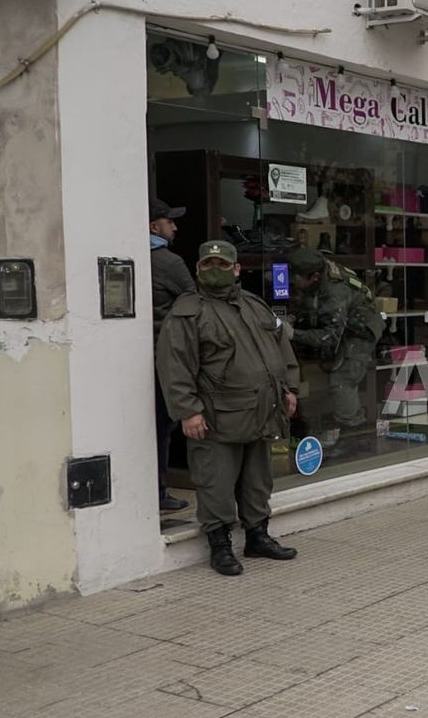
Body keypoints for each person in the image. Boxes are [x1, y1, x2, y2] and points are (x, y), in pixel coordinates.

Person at [156, 240, 302, 576]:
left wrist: (290, 389)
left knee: (257, 480)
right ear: (198, 270)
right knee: (215, 482)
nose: (215, 270)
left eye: (223, 265)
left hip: (262, 412)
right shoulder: (187, 312)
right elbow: (173, 365)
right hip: (217, 418)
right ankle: (219, 545)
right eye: (208, 265)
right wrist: (187, 411)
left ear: (237, 269)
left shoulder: (253, 304)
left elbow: (281, 348)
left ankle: (257, 537)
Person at [285, 248, 381, 449]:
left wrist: (294, 334)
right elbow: (313, 303)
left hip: (360, 331)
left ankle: (354, 435)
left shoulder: (335, 291)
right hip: (343, 323)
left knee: (342, 380)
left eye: (297, 277)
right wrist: (296, 317)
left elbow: (330, 336)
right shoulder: (318, 268)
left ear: (314, 276)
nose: (293, 281)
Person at [149, 197, 196, 514]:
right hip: (163, 354)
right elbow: (195, 303)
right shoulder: (167, 262)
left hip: (137, 351)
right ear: (154, 226)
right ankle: (159, 492)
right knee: (163, 426)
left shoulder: (131, 255)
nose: (175, 227)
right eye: (170, 221)